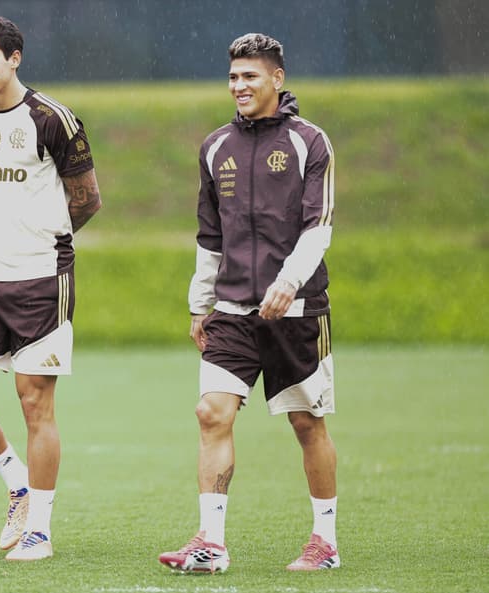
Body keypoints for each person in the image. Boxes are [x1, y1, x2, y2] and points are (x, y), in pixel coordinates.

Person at [158, 33, 340, 573]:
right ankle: (210, 543)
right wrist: (200, 304)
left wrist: (288, 283)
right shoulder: (216, 147)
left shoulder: (311, 141)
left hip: (298, 310)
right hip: (233, 312)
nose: (239, 85)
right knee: (211, 413)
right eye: (233, 76)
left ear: (277, 79)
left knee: (307, 424)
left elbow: (318, 226)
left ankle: (324, 542)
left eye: (250, 76)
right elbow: (209, 235)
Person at [0, 16, 102, 562]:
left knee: (35, 405)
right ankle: (18, 485)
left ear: (14, 59)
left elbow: (88, 199)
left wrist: (47, 242)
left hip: (40, 280)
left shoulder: (53, 119)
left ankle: (40, 532)